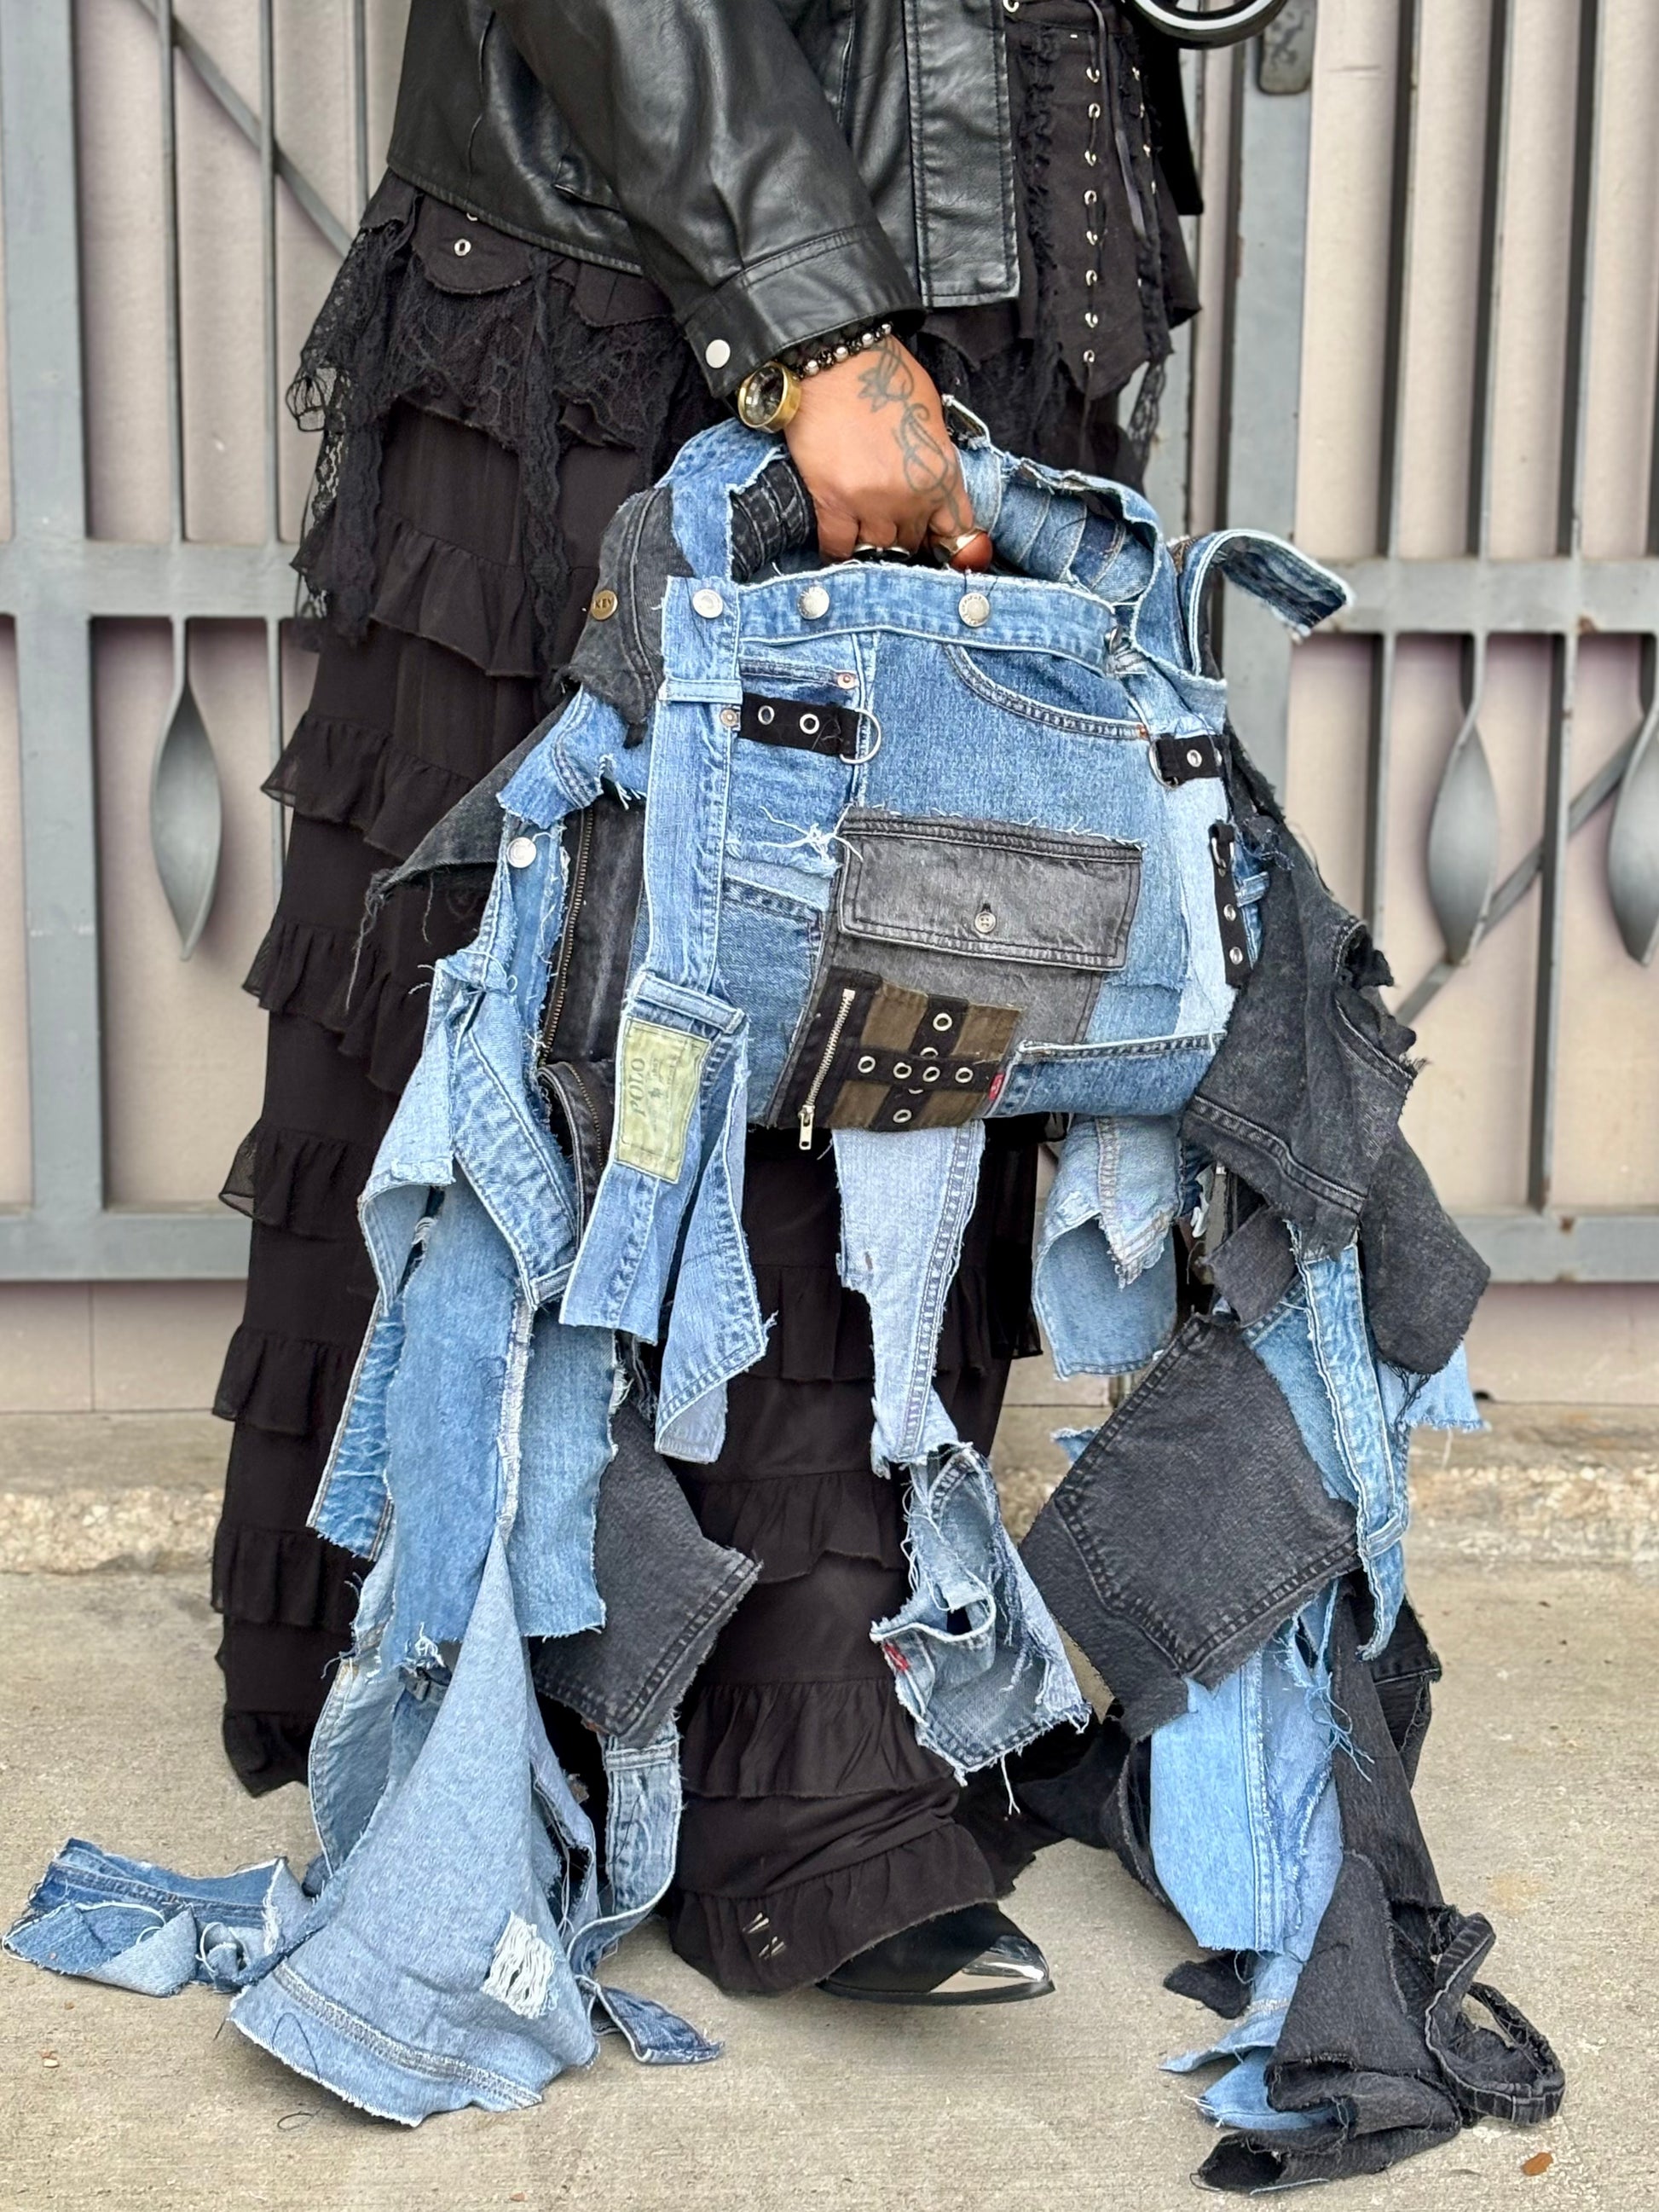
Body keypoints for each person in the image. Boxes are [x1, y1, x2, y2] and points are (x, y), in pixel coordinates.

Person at [212, 0, 1199, 2001]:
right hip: (663, 257)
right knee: (624, 974)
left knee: (917, 987)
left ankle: (838, 1702)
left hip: (970, 249)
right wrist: (815, 317)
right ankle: (709, 1764)